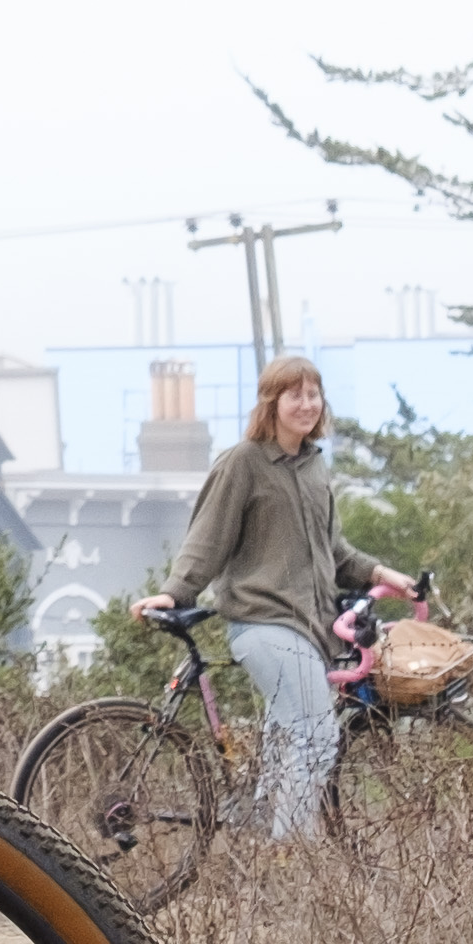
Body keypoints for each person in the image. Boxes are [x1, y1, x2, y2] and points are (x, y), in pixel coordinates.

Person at [141, 357, 369, 840]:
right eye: (295, 395)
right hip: (263, 623)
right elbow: (207, 538)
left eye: (313, 394)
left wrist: (383, 574)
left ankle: (262, 832)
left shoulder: (313, 465)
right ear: (273, 403)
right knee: (317, 735)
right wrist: (173, 592)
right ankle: (291, 857)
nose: (307, 405)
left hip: (310, 627)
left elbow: (335, 551)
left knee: (290, 738)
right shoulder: (243, 461)